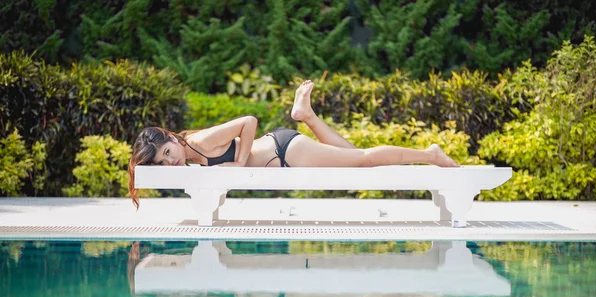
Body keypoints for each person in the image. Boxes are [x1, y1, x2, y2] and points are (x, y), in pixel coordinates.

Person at [127, 80, 460, 208]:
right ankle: (307, 115)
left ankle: (428, 154)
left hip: (283, 150)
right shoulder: (190, 156)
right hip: (282, 151)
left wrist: (239, 166)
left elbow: (248, 122)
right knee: (353, 153)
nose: (168, 162)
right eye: (160, 161)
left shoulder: (197, 141)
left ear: (172, 137)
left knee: (363, 160)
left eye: (167, 153)